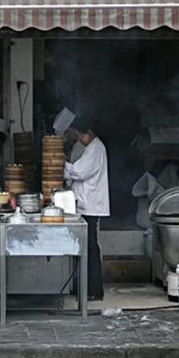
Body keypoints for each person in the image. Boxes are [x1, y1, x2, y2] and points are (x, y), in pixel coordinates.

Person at [64, 117, 110, 301]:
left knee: (90, 247)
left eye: (79, 135)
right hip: (86, 203)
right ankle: (85, 286)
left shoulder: (96, 148)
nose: (79, 139)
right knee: (85, 246)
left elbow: (79, 171)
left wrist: (60, 162)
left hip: (91, 205)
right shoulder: (91, 148)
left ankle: (94, 290)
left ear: (88, 133)